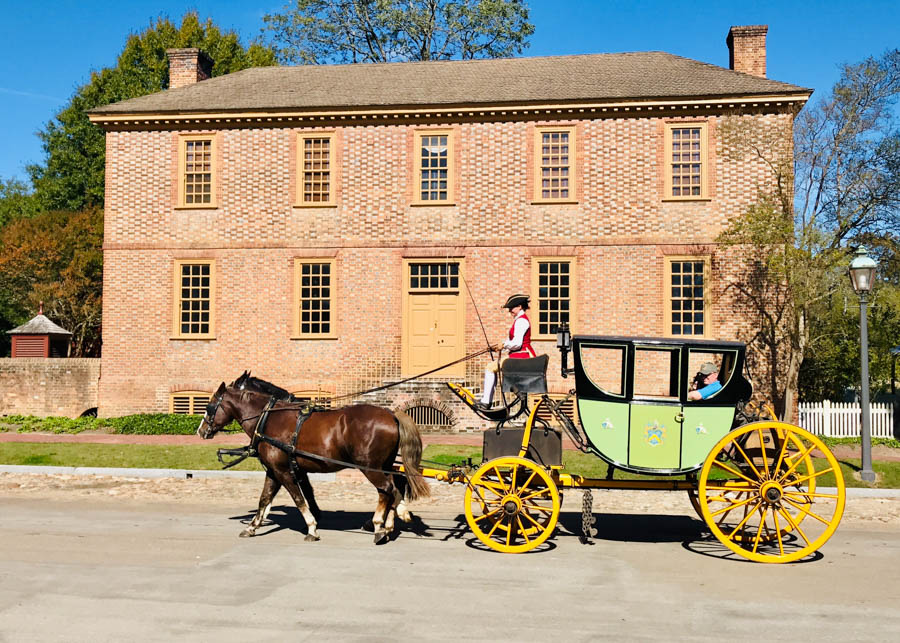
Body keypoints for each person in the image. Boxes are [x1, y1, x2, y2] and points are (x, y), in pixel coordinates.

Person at [476, 294, 537, 409]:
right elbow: (513, 341)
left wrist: (503, 345)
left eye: (511, 308)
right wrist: (500, 346)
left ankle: (486, 402)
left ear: (519, 306)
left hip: (522, 356)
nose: (510, 311)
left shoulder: (521, 321)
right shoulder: (519, 320)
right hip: (520, 355)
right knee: (494, 367)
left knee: (490, 368)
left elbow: (517, 343)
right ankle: (514, 389)